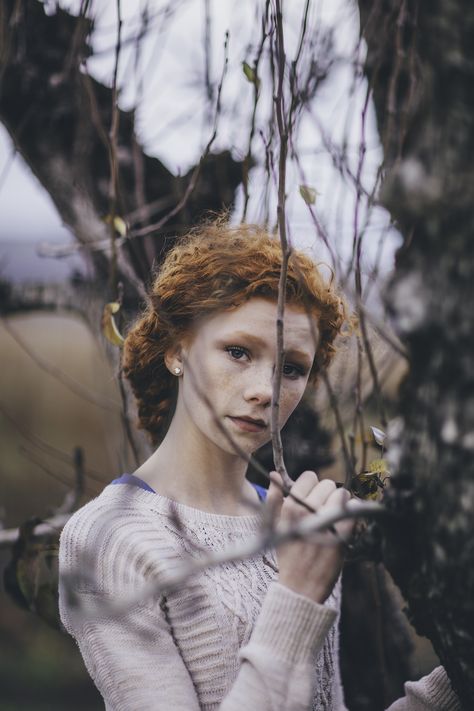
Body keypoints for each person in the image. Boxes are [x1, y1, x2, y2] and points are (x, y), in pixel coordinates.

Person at [59, 220, 460, 710]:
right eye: (238, 352)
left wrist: (452, 686)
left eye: (291, 368)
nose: (266, 391)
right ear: (176, 349)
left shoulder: (293, 524)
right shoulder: (111, 539)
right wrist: (298, 593)